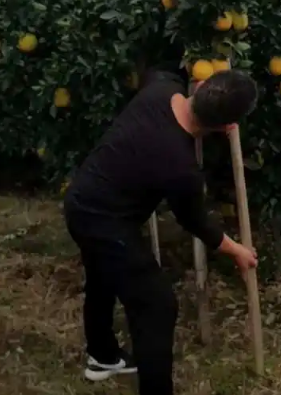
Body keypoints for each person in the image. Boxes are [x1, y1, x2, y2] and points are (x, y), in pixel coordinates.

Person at [63, 67, 259, 395]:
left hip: (81, 198)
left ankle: (103, 356)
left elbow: (157, 72)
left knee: (103, 274)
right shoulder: (180, 167)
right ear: (227, 127)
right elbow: (195, 221)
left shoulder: (159, 90)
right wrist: (237, 250)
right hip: (104, 222)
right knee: (157, 305)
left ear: (200, 85)